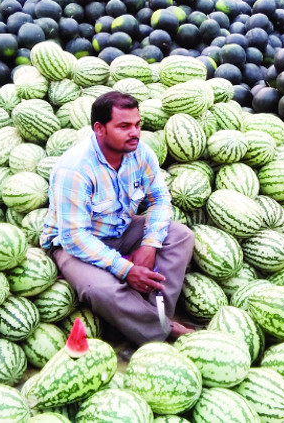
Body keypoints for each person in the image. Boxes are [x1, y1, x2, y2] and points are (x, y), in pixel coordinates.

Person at [40, 91, 196, 345]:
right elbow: (74, 237)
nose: (134, 132)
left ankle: (155, 315)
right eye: (124, 126)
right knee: (99, 289)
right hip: (75, 245)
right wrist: (125, 269)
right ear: (99, 129)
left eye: (137, 125)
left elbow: (159, 199)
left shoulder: (141, 153)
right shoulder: (75, 168)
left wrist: (149, 245)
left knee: (180, 236)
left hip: (120, 229)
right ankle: (163, 333)